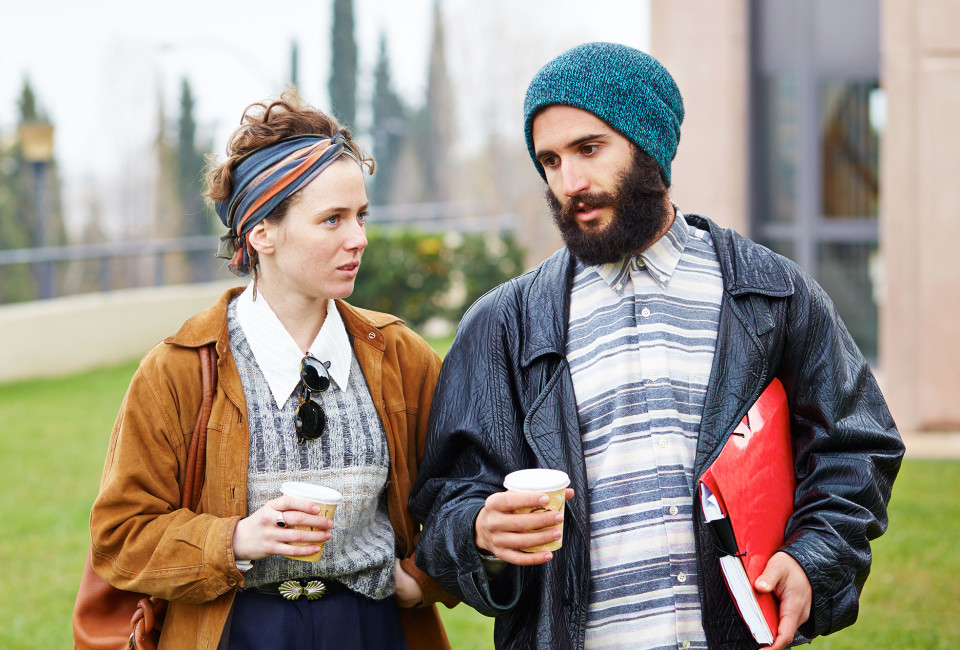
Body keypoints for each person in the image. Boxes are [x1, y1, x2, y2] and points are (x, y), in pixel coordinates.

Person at [409, 42, 904, 650]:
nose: (571, 182)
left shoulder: (771, 292)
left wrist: (815, 555)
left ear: (650, 145)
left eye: (589, 149)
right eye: (551, 161)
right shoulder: (502, 323)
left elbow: (857, 444)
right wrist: (479, 529)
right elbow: (447, 500)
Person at [88, 89, 455, 649]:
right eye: (332, 219)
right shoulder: (178, 370)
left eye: (360, 216)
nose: (357, 239)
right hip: (234, 631)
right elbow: (120, 536)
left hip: (373, 629)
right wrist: (236, 538)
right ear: (261, 233)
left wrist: (422, 578)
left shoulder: (400, 357)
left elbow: (465, 488)